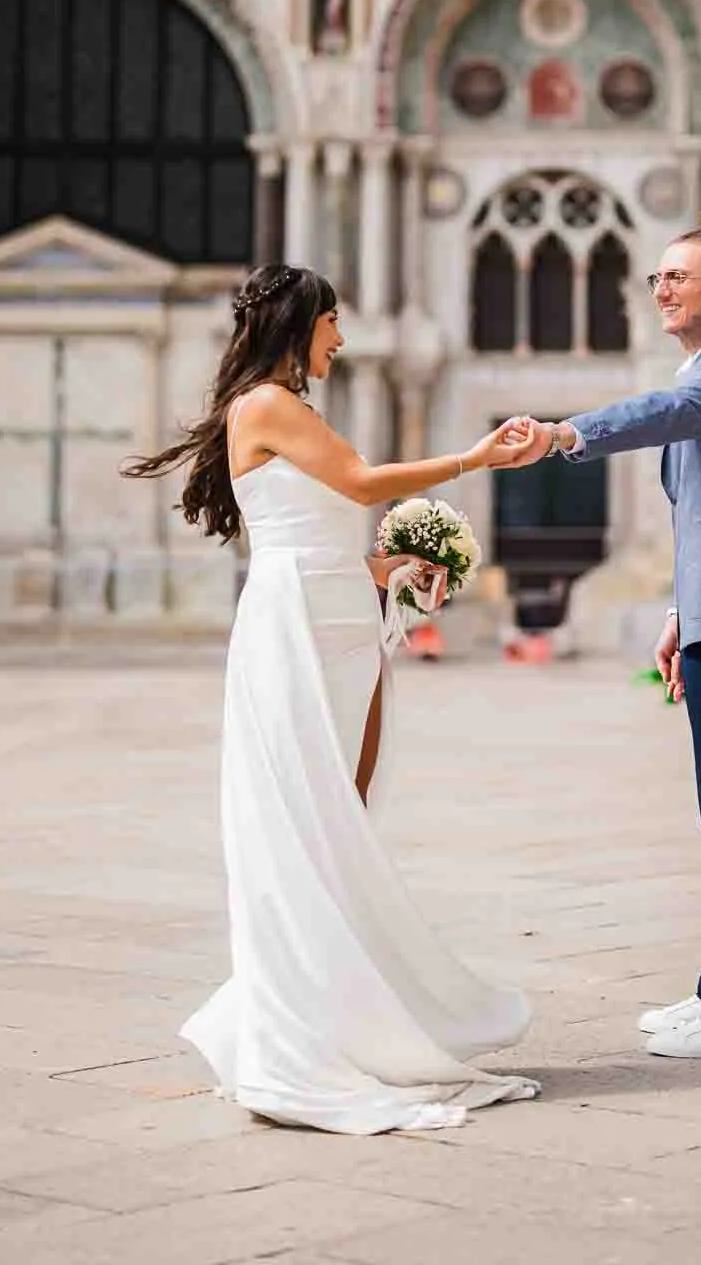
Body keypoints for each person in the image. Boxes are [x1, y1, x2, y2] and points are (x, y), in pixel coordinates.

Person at [123, 264, 540, 1135]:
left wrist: (385, 569)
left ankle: (324, 1006)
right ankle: (301, 1026)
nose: (340, 340)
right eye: (331, 323)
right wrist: (475, 457)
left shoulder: (284, 408)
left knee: (332, 818)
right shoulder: (267, 406)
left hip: (329, 613)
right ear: (298, 323)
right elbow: (356, 484)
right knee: (299, 823)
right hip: (292, 630)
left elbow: (313, 535)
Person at [507, 209, 701, 1061]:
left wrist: (565, 435)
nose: (661, 288)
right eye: (656, 277)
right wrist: (681, 614)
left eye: (678, 275)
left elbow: (659, 412)